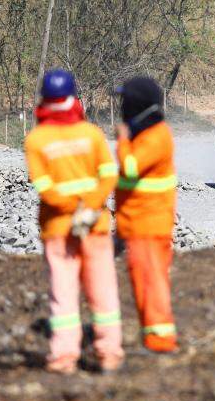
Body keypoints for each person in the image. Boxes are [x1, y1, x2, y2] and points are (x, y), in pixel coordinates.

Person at [24, 69, 123, 374]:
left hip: (58, 228)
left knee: (63, 293)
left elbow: (43, 186)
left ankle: (64, 357)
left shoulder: (36, 139)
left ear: (43, 99)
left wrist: (71, 208)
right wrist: (89, 206)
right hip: (94, 225)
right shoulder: (91, 134)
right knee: (103, 289)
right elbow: (108, 175)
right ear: (73, 98)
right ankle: (108, 353)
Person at [113, 77, 179, 353]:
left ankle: (160, 341)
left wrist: (122, 140)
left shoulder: (156, 136)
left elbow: (130, 167)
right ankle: (151, 337)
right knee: (143, 282)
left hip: (149, 226)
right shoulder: (146, 134)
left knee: (151, 282)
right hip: (137, 224)